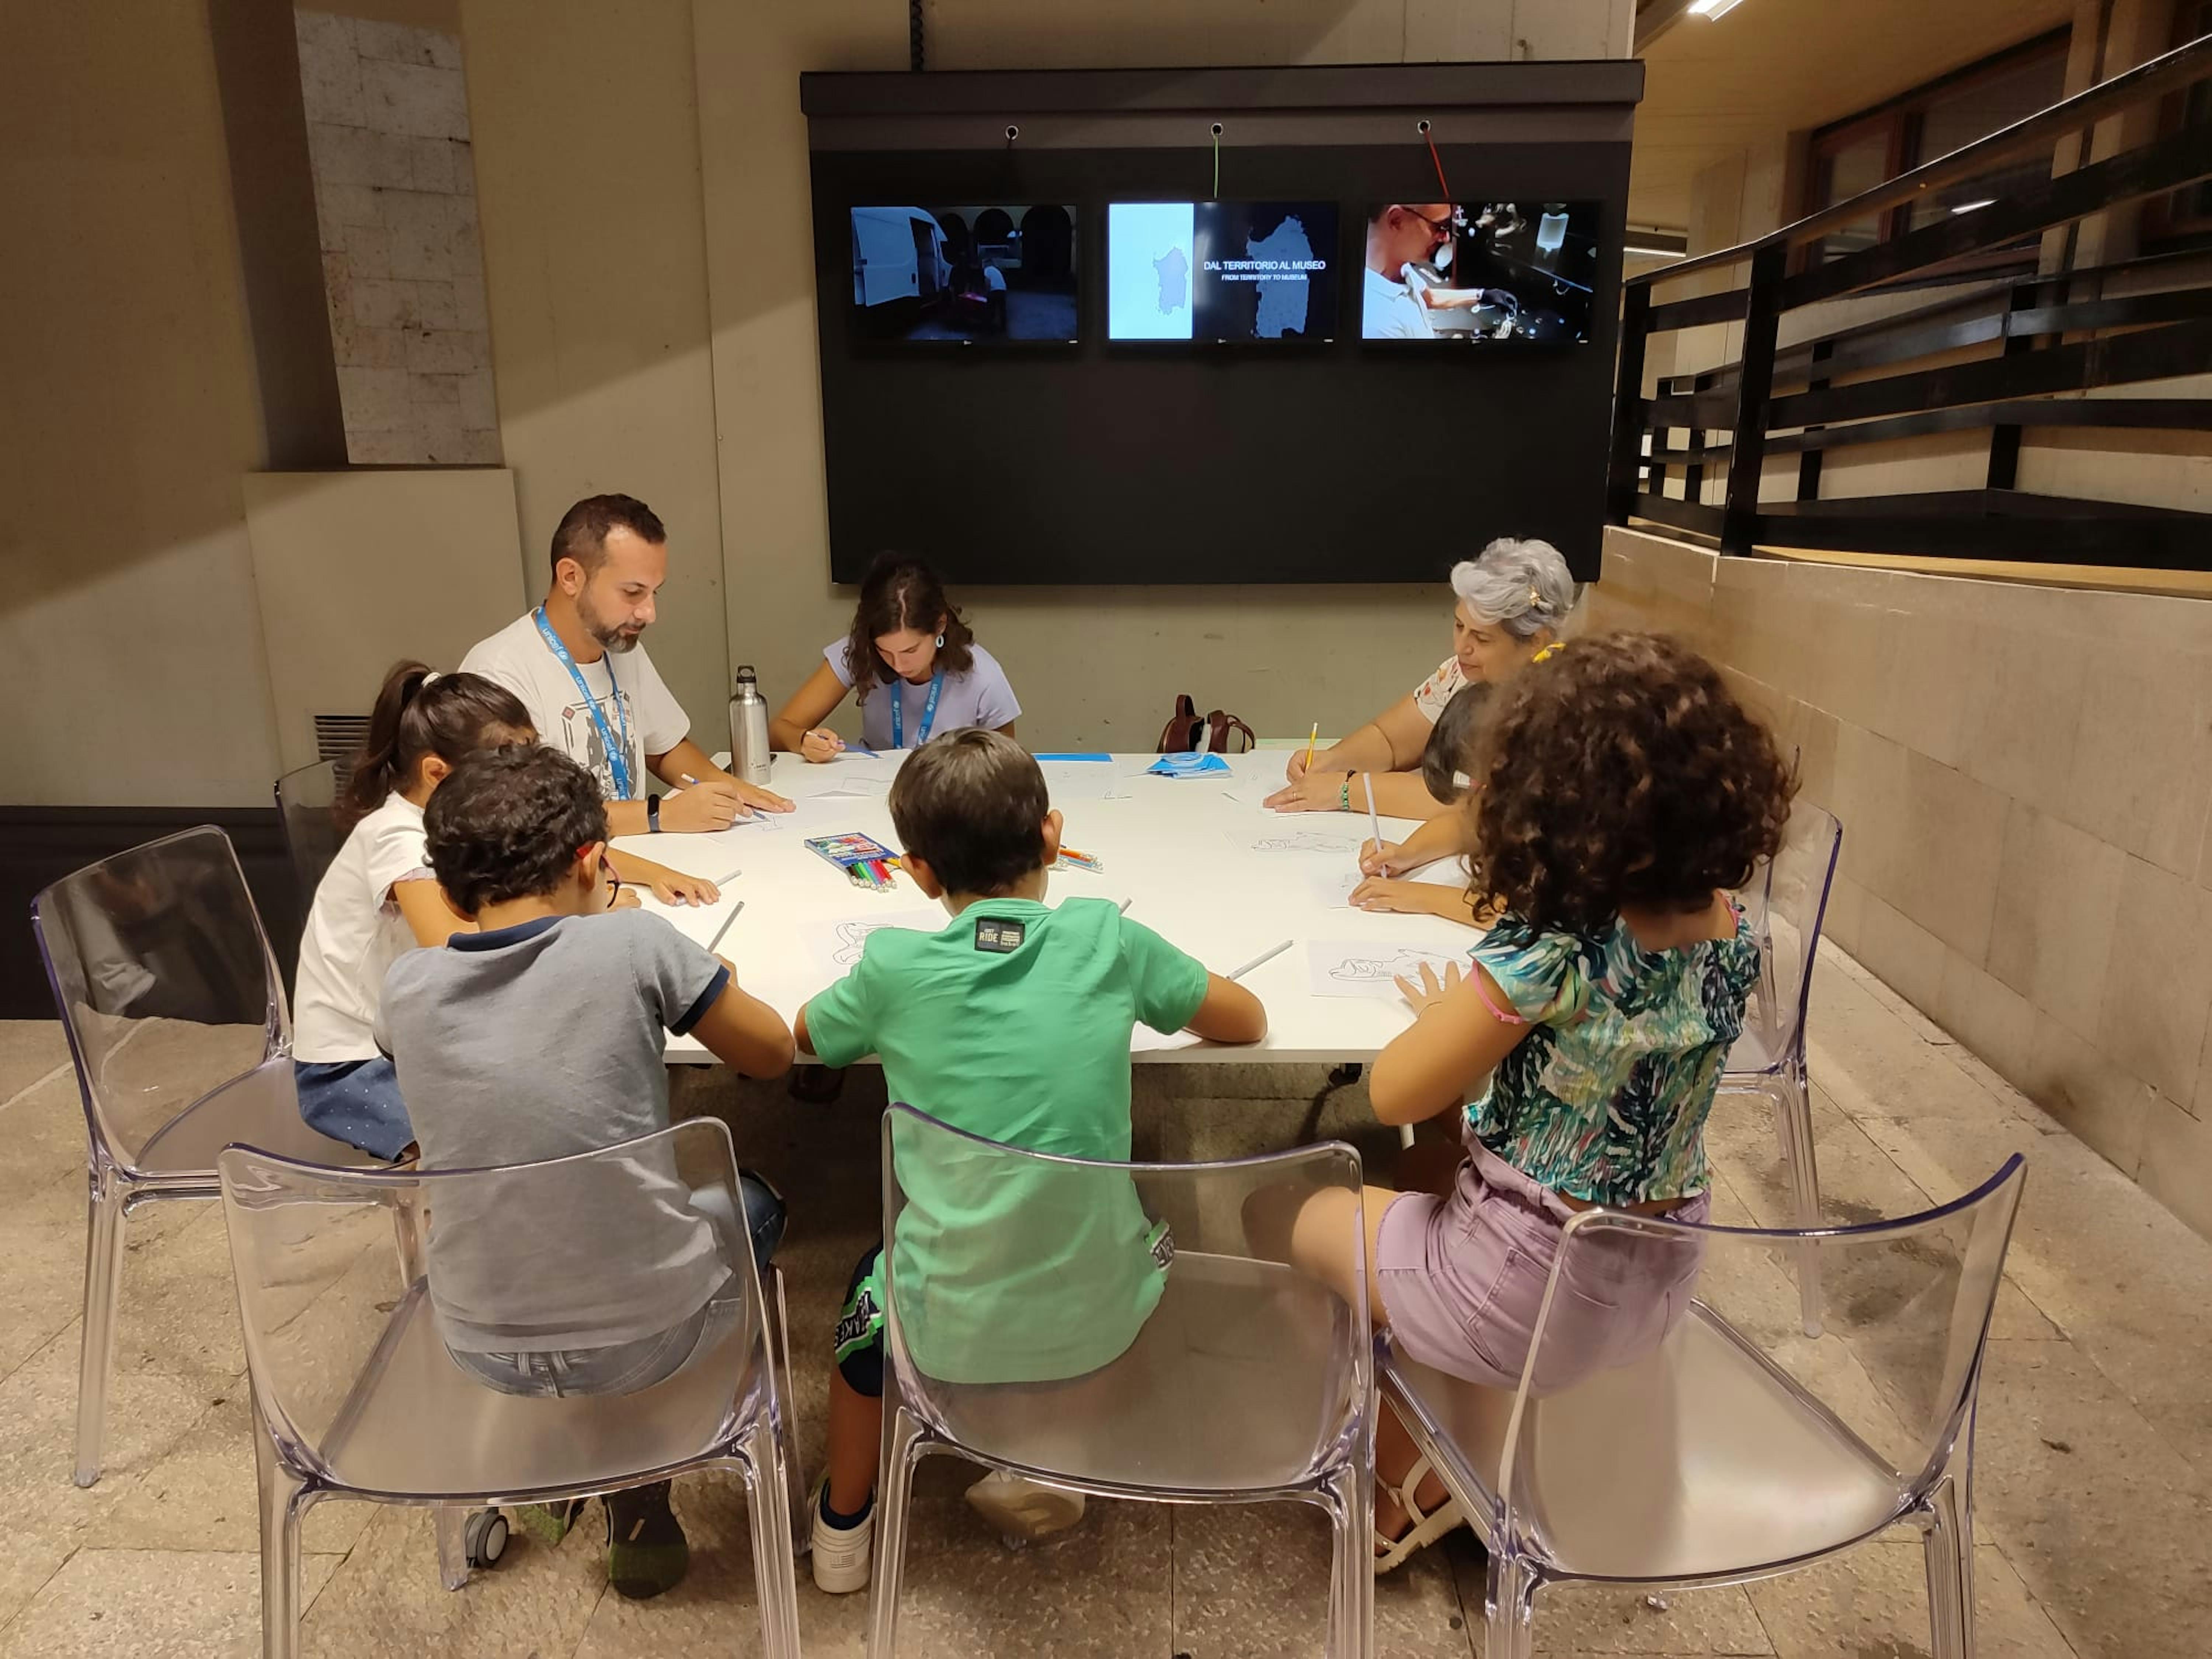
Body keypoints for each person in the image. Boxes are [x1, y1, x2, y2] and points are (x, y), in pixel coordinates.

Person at [1267, 633, 1792, 1571]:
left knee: (1294, 1213)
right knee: (1432, 1154)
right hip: (1653, 1279)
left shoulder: (1553, 943)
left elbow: (1393, 1085)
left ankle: (1400, 1470)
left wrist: (1453, 1019)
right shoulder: (1735, 925)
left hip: (1524, 1286)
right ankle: (1456, 1432)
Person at [790, 728, 1267, 1593]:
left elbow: (807, 1036)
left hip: (948, 1318)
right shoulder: (1107, 938)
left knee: (864, 1300)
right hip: (1105, 1305)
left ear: (919, 871)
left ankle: (843, 1526)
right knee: (1093, 1237)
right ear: (1052, 836)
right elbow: (1247, 1018)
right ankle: (1048, 1444)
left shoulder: (894, 967)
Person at [379, 744, 797, 1600]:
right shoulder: (635, 943)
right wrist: (705, 974)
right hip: (649, 1330)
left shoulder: (408, 985)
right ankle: (639, 1475)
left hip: (481, 1337)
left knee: (549, 1211)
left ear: (454, 891)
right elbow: (773, 1053)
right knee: (754, 1202)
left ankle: (560, 1452)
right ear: (590, 860)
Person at [291, 663, 532, 1158]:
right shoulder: (397, 839)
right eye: (508, 766)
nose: (525, 782)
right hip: (353, 1063)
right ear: (437, 772)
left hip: (417, 1036)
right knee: (499, 1149)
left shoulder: (462, 817)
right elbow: (457, 949)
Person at [462, 493, 792, 835]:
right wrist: (659, 815)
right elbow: (521, 819)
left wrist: (727, 787)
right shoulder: (497, 673)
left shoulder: (620, 645)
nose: (649, 613)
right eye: (633, 593)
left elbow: (665, 749)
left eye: (655, 593)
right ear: (571, 577)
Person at [1265, 536, 1576, 817]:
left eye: (1482, 640)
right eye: (1458, 626)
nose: (1461, 647)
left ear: (1537, 640)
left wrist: (1346, 790)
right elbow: (1391, 741)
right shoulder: (1461, 673)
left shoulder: (1559, 705)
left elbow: (1469, 803)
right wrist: (1333, 762)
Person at [769, 554, 1020, 760]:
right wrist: (804, 741)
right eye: (885, 652)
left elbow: (1006, 767)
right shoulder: (859, 650)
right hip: (875, 790)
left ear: (940, 625)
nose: (899, 665)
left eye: (911, 650)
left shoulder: (984, 676)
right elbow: (778, 730)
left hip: (947, 794)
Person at [1347, 683, 1497, 928]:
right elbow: (1468, 825)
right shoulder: (1502, 803)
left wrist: (1423, 896)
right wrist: (1407, 854)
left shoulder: (1560, 823)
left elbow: (1514, 918)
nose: (1469, 813)